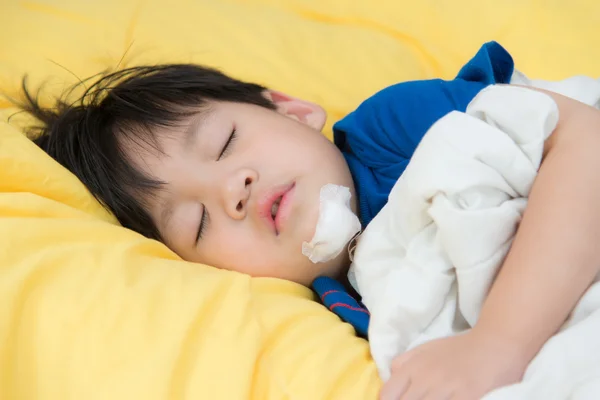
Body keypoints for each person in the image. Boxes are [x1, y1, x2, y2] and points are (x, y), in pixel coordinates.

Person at [17, 42, 600, 399]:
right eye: (197, 224)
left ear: (292, 111)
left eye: (225, 144)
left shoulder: (395, 130)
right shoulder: (334, 308)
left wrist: (498, 343)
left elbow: (583, 145)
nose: (233, 190)